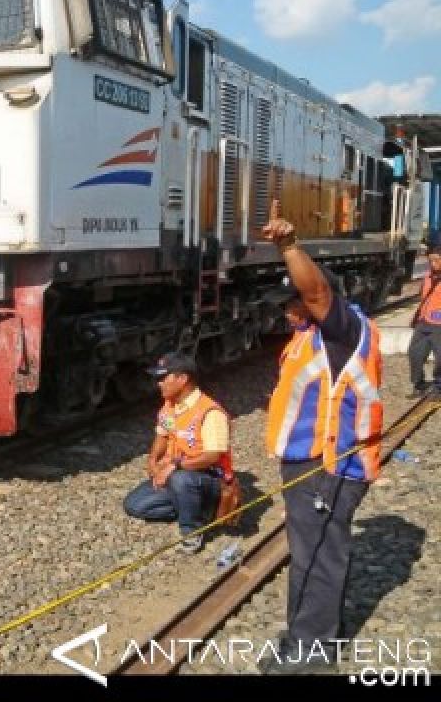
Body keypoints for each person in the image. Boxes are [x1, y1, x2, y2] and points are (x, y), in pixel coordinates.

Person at [258, 199, 382, 674]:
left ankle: (312, 652)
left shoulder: (341, 329)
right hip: (313, 463)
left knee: (319, 555)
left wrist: (289, 246)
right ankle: (305, 634)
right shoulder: (315, 338)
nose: (288, 314)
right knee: (311, 551)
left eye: (292, 305)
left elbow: (317, 296)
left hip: (329, 464)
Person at [123, 352, 234, 554]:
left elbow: (212, 456)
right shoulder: (169, 407)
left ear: (182, 379)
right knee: (134, 505)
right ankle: (191, 508)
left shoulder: (210, 412)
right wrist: (153, 461)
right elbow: (162, 435)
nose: (159, 383)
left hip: (208, 479)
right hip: (178, 475)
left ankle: (192, 532)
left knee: (183, 481)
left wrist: (174, 465)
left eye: (163, 378)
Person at [406, 243, 441, 396]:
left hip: (439, 325)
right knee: (414, 353)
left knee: (440, 357)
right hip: (423, 322)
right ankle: (418, 384)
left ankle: (439, 387)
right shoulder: (427, 277)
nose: (433, 264)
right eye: (431, 260)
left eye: (437, 260)